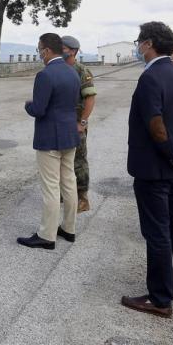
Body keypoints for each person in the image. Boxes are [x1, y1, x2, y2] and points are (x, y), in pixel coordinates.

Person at [121, 22, 173, 319]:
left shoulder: (151, 77)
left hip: (153, 169)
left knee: (157, 233)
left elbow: (156, 126)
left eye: (139, 41)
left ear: (149, 44)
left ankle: (159, 299)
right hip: (172, 167)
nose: (138, 46)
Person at [17, 33, 81, 250]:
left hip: (50, 137)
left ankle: (47, 235)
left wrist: (28, 105)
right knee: (69, 183)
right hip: (69, 135)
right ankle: (69, 228)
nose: (39, 54)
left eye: (39, 49)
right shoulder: (72, 72)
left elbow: (39, 109)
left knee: (51, 187)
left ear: (46, 50)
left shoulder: (45, 75)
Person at [61, 36, 97, 213]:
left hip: (76, 124)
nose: (61, 50)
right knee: (62, 160)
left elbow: (90, 97)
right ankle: (66, 193)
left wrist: (82, 122)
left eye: (64, 48)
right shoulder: (57, 68)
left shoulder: (81, 70)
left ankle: (82, 198)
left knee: (79, 161)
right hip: (60, 124)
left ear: (73, 51)